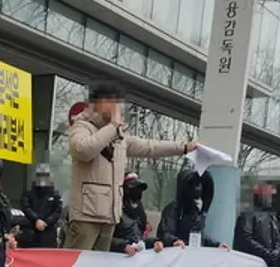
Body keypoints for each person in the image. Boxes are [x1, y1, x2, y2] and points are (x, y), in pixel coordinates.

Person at [65, 83, 198, 251]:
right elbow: (83, 150)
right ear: (96, 103)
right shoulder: (82, 126)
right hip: (86, 215)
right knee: (77, 262)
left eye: (117, 103)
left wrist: (184, 147)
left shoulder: (119, 136)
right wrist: (112, 127)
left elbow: (149, 147)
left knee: (99, 265)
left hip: (109, 217)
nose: (116, 108)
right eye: (110, 102)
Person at [158, 168, 225, 249]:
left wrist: (216, 245)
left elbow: (198, 236)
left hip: (191, 252)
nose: (198, 188)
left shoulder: (195, 210)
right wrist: (175, 241)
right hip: (176, 253)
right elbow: (164, 234)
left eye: (199, 184)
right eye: (194, 185)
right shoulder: (173, 209)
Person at [111, 172, 163, 254]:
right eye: (133, 188)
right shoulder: (114, 209)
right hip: (116, 257)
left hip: (135, 256)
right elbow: (105, 239)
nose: (138, 192)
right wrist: (123, 246)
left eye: (139, 189)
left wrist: (155, 242)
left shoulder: (139, 211)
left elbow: (138, 239)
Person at [20, 164, 62, 248]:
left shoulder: (55, 194)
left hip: (49, 233)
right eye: (39, 175)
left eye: (45, 175)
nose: (42, 178)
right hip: (31, 232)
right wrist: (36, 220)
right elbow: (26, 207)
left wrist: (47, 222)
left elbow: (58, 210)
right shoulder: (29, 192)